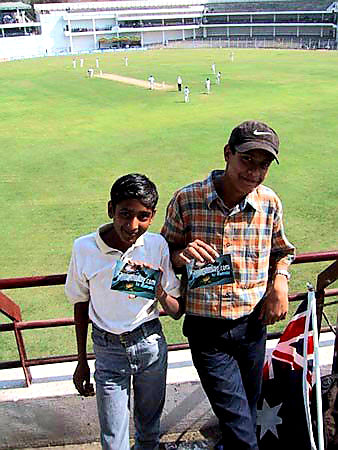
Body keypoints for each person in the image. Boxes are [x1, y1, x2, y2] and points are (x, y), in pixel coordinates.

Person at [161, 120, 295, 450]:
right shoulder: (187, 200)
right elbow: (163, 254)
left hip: (252, 327)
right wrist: (182, 255)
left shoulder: (269, 203)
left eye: (263, 164)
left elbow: (283, 251)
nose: (254, 171)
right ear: (227, 154)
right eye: (247, 160)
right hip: (208, 332)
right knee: (241, 431)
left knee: (245, 413)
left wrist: (279, 282)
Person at [65, 173, 182, 450]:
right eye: (125, 214)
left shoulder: (156, 245)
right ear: (110, 210)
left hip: (150, 345)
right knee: (113, 440)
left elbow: (176, 311)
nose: (132, 225)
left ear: (152, 217)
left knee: (149, 433)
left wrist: (160, 293)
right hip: (107, 350)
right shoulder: (84, 248)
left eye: (143, 216)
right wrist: (82, 360)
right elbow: (80, 305)